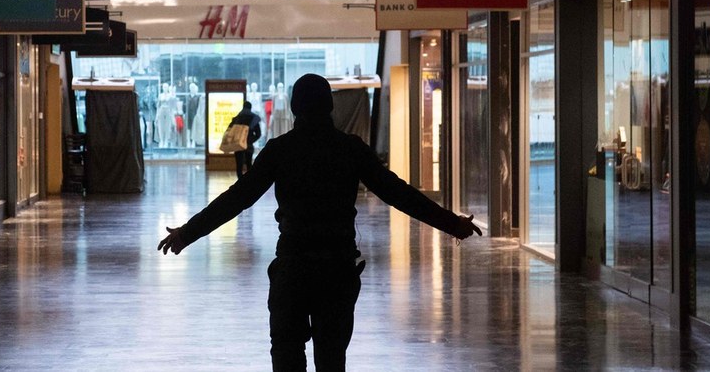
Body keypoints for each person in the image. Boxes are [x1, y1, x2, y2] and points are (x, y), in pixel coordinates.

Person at [158, 74, 481, 372]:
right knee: (331, 357)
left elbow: (238, 197)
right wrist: (451, 223)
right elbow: (397, 192)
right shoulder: (350, 148)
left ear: (295, 107)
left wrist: (187, 234)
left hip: (293, 265)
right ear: (329, 105)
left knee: (286, 352)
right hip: (337, 268)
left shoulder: (281, 149)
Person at [229, 100, 262, 177]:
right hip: (248, 145)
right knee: (249, 164)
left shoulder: (236, 118)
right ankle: (248, 183)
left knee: (239, 165)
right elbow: (258, 134)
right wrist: (250, 141)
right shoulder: (254, 119)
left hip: (238, 145)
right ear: (250, 108)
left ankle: (240, 182)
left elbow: (230, 131)